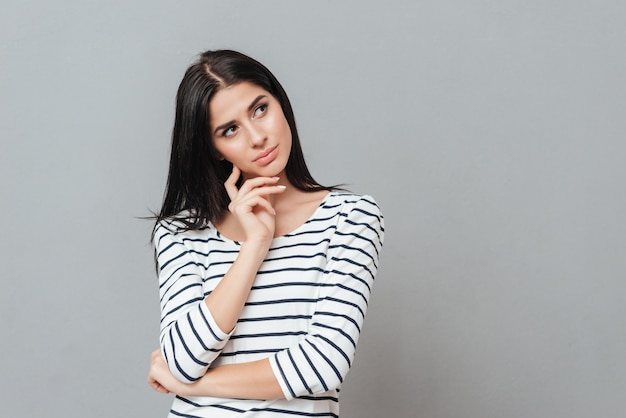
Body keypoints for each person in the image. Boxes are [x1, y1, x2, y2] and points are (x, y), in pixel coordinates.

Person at [147, 49, 384, 417]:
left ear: (281, 104)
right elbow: (180, 360)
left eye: (260, 109)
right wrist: (254, 245)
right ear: (215, 149)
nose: (257, 137)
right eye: (230, 130)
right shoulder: (181, 233)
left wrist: (195, 386)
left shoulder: (350, 218)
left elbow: (323, 364)